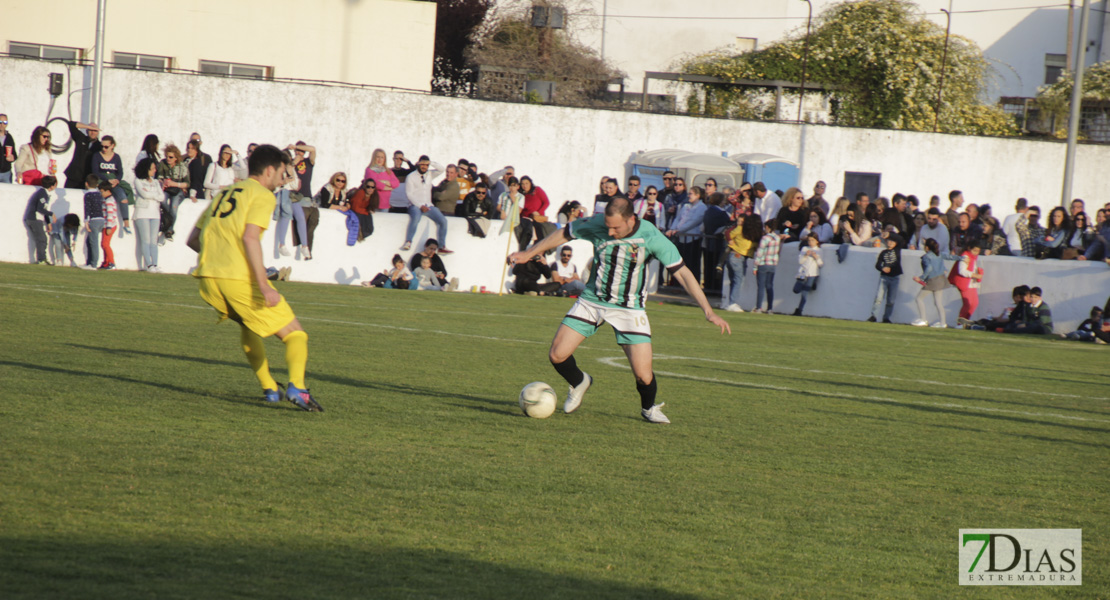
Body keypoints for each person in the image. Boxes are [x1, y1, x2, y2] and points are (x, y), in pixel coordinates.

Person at [507, 197, 730, 425]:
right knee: (557, 355)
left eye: (616, 227)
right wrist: (527, 253)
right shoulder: (598, 224)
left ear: (631, 219)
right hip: (593, 300)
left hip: (629, 309)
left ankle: (648, 408)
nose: (610, 232)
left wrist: (708, 310)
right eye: (608, 226)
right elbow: (565, 233)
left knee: (643, 376)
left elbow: (682, 272)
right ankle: (580, 381)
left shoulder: (651, 237)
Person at [185, 144, 322, 411]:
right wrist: (263, 285)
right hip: (238, 279)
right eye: (283, 173)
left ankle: (270, 388)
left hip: (209, 279)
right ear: (270, 170)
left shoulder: (224, 193)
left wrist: (221, 257)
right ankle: (297, 387)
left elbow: (193, 239)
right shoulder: (262, 194)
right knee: (296, 334)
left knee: (249, 326)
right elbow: (250, 237)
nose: (284, 179)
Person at [402, 155, 452, 253]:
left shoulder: (429, 174)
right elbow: (409, 194)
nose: (424, 166)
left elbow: (441, 169)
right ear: (418, 164)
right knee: (416, 218)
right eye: (422, 164)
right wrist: (420, 206)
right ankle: (408, 241)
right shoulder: (411, 177)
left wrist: (431, 162)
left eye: (426, 165)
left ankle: (441, 246)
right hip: (415, 205)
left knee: (443, 221)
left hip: (428, 205)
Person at [667, 185, 707, 285]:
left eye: (691, 194)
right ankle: (677, 284)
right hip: (681, 238)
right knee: (679, 262)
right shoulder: (685, 206)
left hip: (692, 238)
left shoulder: (702, 207)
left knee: (692, 263)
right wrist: (673, 229)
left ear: (697, 195)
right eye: (688, 193)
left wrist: (679, 230)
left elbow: (694, 221)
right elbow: (678, 218)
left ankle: (692, 285)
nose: (689, 196)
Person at [92, 135, 132, 234]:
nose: (104, 149)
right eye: (102, 146)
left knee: (123, 197)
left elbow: (120, 172)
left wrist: (117, 180)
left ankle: (126, 223)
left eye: (106, 147)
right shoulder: (97, 156)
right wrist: (107, 180)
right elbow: (95, 171)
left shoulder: (116, 157)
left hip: (113, 180)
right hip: (102, 180)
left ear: (112, 146)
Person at [723, 214, 760, 312]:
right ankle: (732, 303)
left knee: (734, 280)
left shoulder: (740, 229)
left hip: (732, 255)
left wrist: (731, 241)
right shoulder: (755, 234)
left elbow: (728, 234)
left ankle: (730, 303)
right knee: (738, 281)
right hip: (739, 257)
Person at [132, 158, 163, 272]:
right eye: (152, 168)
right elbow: (144, 194)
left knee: (154, 241)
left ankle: (155, 264)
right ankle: (148, 265)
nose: (155, 170)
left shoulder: (155, 182)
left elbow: (162, 196)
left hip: (155, 214)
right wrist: (154, 195)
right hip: (142, 213)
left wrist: (152, 194)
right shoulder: (138, 181)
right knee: (146, 240)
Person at [911, 238, 948, 328]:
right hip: (940, 280)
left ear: (927, 248)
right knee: (938, 303)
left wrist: (920, 278)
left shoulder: (927, 257)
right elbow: (944, 270)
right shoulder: (938, 256)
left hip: (932, 282)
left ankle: (923, 319)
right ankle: (943, 323)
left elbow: (928, 269)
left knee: (919, 298)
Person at [867, 233, 903, 323]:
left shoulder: (897, 250)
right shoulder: (883, 253)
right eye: (889, 241)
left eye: (892, 241)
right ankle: (874, 316)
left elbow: (900, 239)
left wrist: (889, 234)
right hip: (884, 277)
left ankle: (886, 317)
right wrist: (882, 268)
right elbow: (877, 265)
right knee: (879, 298)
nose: (890, 243)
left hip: (894, 278)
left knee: (891, 300)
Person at [23, 176, 57, 264]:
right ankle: (41, 259)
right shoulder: (43, 194)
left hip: (36, 219)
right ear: (52, 186)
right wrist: (52, 214)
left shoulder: (44, 193)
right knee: (42, 239)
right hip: (34, 219)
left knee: (41, 239)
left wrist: (48, 223)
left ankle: (42, 258)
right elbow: (40, 209)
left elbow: (43, 209)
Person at [752, 219, 782, 314]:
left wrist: (755, 266)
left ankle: (759, 307)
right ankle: (770, 308)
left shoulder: (765, 238)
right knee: (769, 286)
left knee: (761, 286)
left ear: (768, 227)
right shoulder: (777, 238)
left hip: (763, 264)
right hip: (772, 264)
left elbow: (760, 253)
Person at [951, 243, 984, 327]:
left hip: (971, 283)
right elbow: (962, 271)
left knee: (974, 303)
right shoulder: (965, 256)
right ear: (969, 248)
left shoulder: (973, 258)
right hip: (965, 283)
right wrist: (974, 275)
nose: (976, 253)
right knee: (967, 304)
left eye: (978, 251)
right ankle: (960, 323)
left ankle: (965, 321)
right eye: (974, 250)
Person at [62, 120, 100, 189]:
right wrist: (87, 126)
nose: (93, 132)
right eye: (91, 130)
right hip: (74, 176)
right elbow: (71, 124)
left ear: (98, 132)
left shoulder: (100, 146)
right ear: (87, 131)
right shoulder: (81, 138)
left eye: (95, 130)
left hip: (88, 179)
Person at [792, 233, 823, 316]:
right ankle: (810, 285)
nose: (810, 242)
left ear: (816, 241)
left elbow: (820, 264)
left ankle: (799, 310)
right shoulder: (805, 249)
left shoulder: (819, 250)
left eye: (812, 240)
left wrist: (816, 257)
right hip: (803, 273)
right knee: (796, 290)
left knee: (804, 294)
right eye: (809, 240)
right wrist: (806, 255)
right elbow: (800, 261)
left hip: (812, 274)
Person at [518, 175, 551, 251]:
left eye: (527, 183)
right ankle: (523, 250)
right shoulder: (521, 195)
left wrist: (539, 212)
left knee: (539, 232)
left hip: (537, 218)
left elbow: (546, 202)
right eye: (523, 184)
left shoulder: (537, 190)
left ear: (530, 183)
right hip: (526, 218)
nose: (525, 186)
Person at [81, 175, 106, 269]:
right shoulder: (99, 194)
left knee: (94, 242)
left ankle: (93, 264)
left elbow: (87, 208)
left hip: (94, 220)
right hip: (101, 219)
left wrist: (86, 222)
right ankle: (89, 262)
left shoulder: (88, 195)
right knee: (89, 241)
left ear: (86, 184)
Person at [97, 180, 119, 269]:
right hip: (106, 225)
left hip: (109, 225)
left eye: (102, 192)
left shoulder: (109, 200)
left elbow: (110, 214)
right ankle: (106, 262)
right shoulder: (106, 199)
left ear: (107, 191)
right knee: (104, 244)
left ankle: (111, 263)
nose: (101, 194)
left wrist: (109, 226)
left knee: (105, 244)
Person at [0, 114, 15, 183]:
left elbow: (14, 154)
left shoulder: (9, 137)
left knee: (7, 193)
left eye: (4, 122)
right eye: (0, 122)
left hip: (6, 173)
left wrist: (13, 157)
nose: (2, 124)